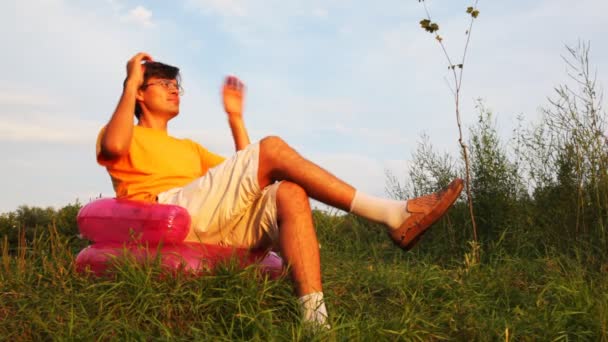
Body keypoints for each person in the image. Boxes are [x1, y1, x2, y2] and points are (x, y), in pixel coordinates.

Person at [97, 52, 464, 329]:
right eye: (163, 84)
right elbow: (113, 148)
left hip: (204, 214)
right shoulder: (123, 134)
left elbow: (247, 174)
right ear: (140, 95)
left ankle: (315, 323)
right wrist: (129, 81)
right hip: (165, 215)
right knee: (271, 147)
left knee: (288, 192)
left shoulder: (190, 148)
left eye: (176, 85)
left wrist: (235, 119)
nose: (174, 89)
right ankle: (389, 214)